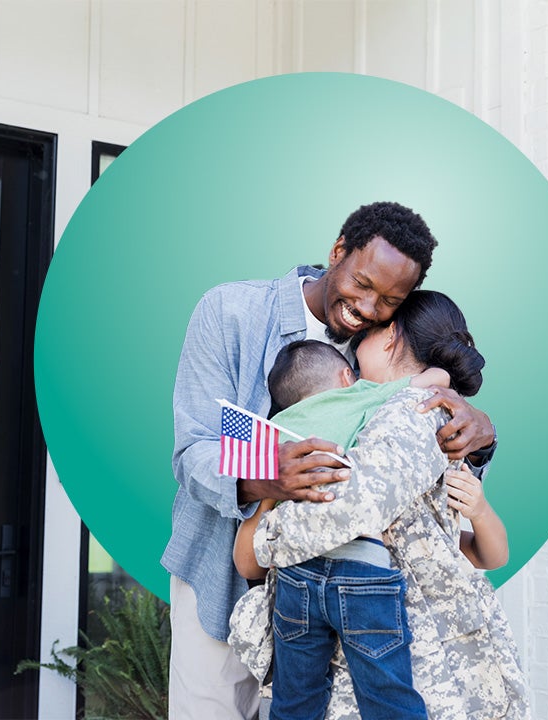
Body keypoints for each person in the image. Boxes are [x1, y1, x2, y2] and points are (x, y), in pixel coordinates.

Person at [166, 202, 499, 720]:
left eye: (389, 300)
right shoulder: (229, 312)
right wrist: (263, 478)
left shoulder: (378, 353)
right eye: (361, 284)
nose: (366, 307)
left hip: (333, 604)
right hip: (224, 575)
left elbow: (416, 471)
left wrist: (477, 438)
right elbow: (194, 452)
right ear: (337, 252)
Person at [231, 291, 529, 720]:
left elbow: (355, 508)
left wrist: (267, 532)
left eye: (362, 338)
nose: (351, 354)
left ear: (390, 335)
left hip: (394, 645)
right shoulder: (371, 416)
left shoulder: (414, 410)